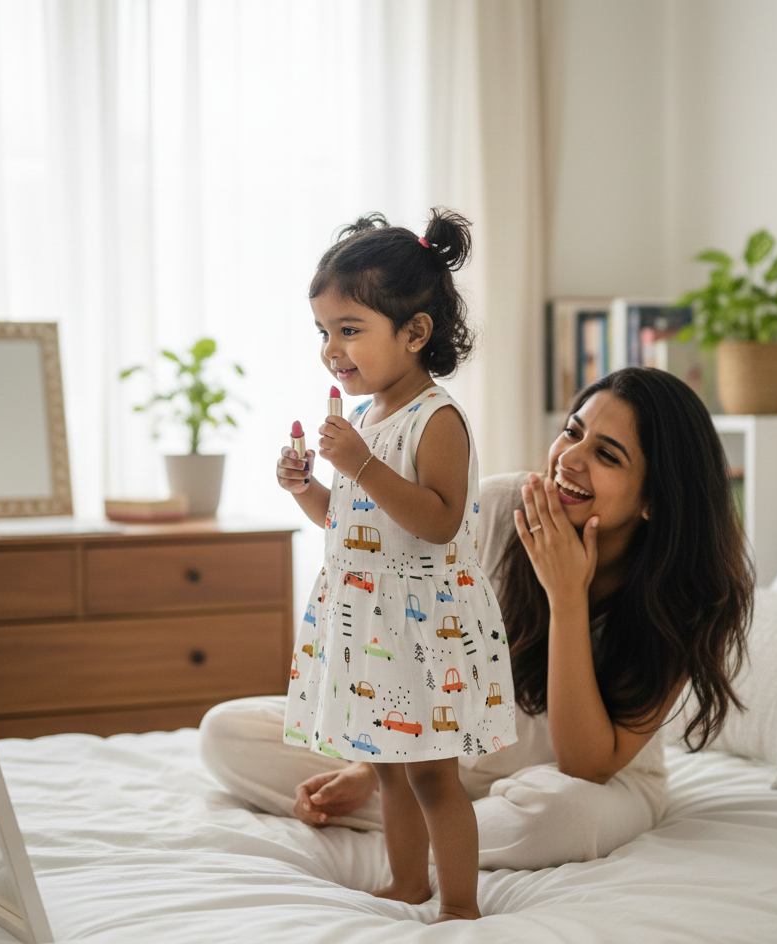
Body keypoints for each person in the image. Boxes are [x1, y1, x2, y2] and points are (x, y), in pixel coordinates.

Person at [200, 367, 753, 895]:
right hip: (441, 749)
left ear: (655, 497)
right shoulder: (494, 505)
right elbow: (407, 640)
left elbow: (586, 764)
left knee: (558, 818)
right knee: (227, 732)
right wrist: (372, 762)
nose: (570, 459)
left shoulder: (689, 598)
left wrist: (567, 598)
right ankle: (429, 810)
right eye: (573, 432)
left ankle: (428, 819)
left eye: (607, 455)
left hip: (580, 782)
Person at [274, 208, 516, 923]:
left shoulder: (436, 418)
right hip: (367, 618)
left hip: (422, 630)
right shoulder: (371, 417)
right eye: (324, 331)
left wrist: (361, 463)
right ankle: (409, 884)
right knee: (386, 768)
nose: (331, 349)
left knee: (434, 774)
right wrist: (308, 488)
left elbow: (437, 521)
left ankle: (462, 904)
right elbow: (353, 525)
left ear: (415, 333)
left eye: (350, 330)